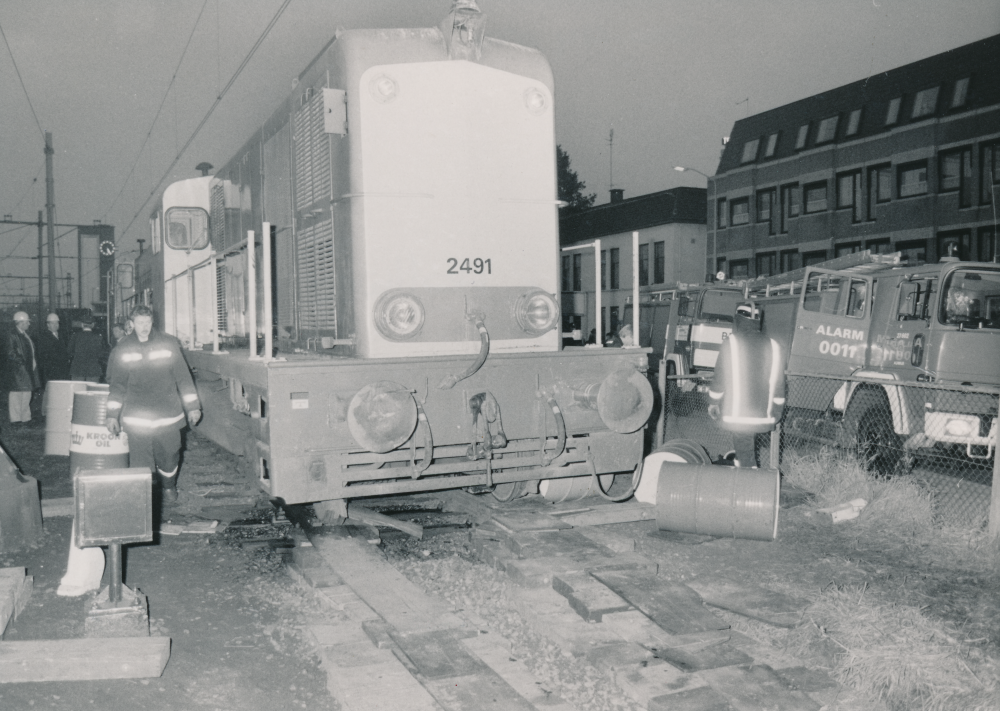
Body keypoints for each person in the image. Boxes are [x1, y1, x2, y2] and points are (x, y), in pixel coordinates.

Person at [105, 305, 201, 502]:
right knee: (141, 460)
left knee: (170, 453)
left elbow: (183, 377)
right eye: (140, 323)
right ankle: (145, 497)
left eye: (147, 322)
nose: (144, 327)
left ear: (152, 322)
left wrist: (193, 407)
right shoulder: (122, 349)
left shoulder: (168, 343)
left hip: (168, 413)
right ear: (131, 324)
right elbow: (117, 385)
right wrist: (112, 415)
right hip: (136, 416)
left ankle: (168, 486)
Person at [707, 303, 785, 468]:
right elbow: (779, 385)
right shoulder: (775, 346)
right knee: (746, 450)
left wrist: (713, 402)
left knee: (746, 457)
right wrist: (777, 410)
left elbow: (720, 377)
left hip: (738, 413)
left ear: (738, 319)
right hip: (764, 412)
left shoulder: (732, 342)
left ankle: (751, 487)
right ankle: (743, 471)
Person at [4, 312, 41, 425]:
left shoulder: (24, 334)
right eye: (27, 322)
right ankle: (16, 419)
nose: (29, 324)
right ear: (20, 323)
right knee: (16, 394)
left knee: (27, 393)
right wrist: (23, 363)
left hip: (26, 369)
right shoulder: (12, 335)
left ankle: (25, 417)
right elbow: (10, 353)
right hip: (19, 370)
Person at [36, 313, 71, 385]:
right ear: (48, 325)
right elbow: (43, 356)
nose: (55, 325)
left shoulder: (61, 336)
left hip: (62, 371)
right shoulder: (43, 337)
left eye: (57, 323)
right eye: (52, 323)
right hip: (51, 372)